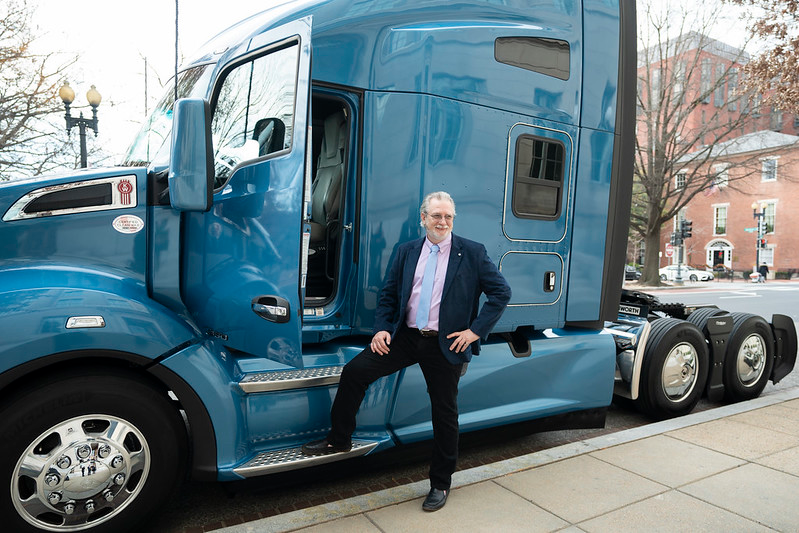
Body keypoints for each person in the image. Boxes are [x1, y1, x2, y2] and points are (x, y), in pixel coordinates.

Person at [302, 191, 511, 512]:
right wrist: (383, 328)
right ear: (423, 218)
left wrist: (474, 332)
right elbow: (389, 294)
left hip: (446, 342)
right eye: (437, 216)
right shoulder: (407, 251)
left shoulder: (471, 252)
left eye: (449, 217)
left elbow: (501, 292)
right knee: (355, 372)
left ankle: (441, 483)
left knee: (444, 413)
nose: (443, 222)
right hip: (406, 337)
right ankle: (339, 439)